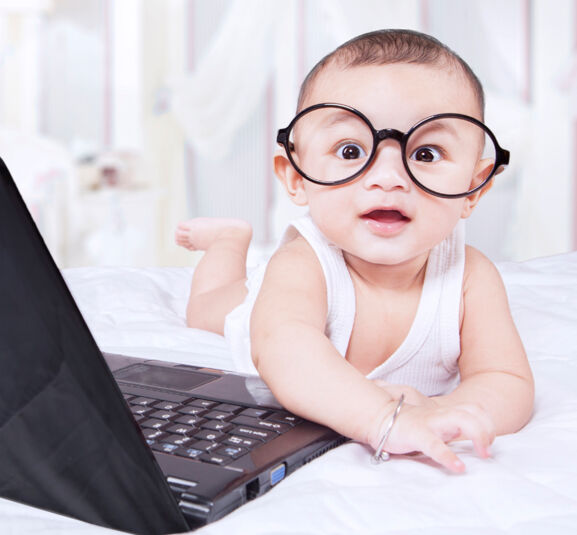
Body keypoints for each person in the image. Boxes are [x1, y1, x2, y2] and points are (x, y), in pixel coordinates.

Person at [175, 29, 534, 473]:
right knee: (209, 307)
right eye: (350, 150)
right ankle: (230, 241)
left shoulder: (471, 278)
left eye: (426, 154)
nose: (388, 177)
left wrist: (456, 413)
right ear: (296, 178)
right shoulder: (303, 263)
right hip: (259, 310)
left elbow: (506, 379)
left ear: (473, 190)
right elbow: (286, 350)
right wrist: (384, 418)